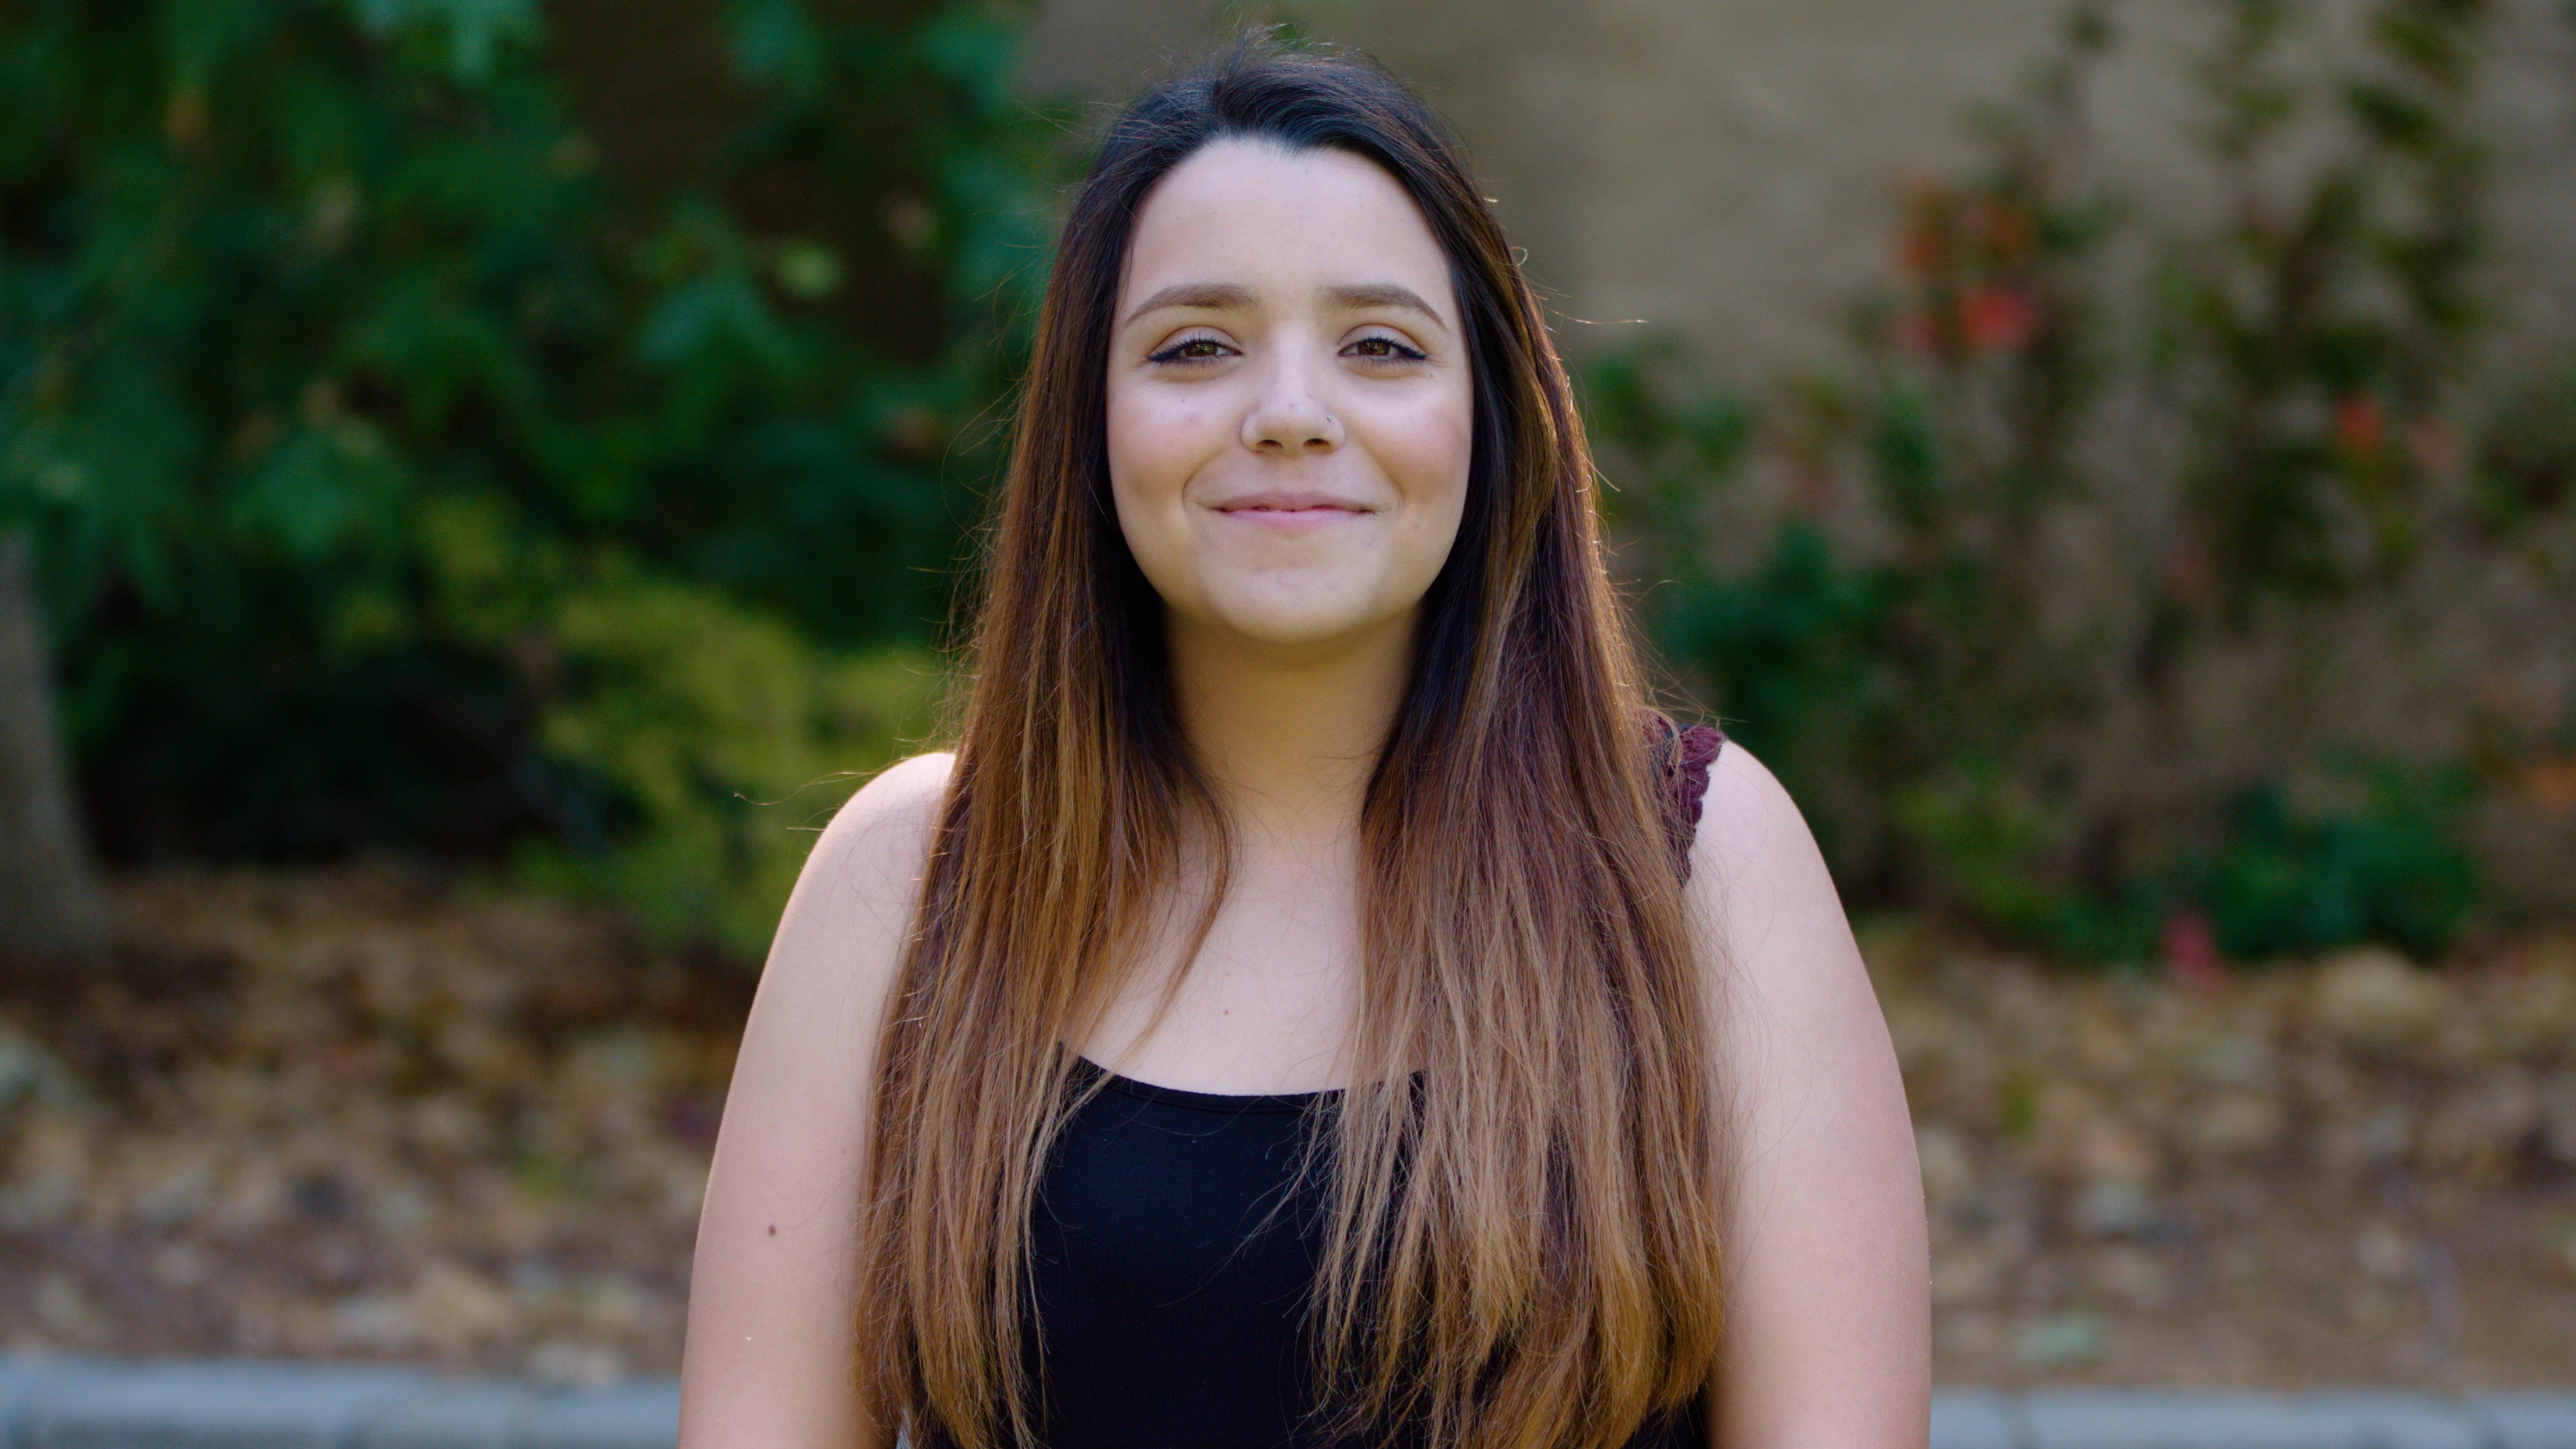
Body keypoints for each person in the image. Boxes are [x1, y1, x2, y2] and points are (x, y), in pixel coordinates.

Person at [678, 32, 1927, 1449]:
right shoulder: (909, 888)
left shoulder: (1696, 863)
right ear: (1091, 422)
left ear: (1490, 420)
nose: (1287, 415)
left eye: (1380, 347)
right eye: (1196, 346)